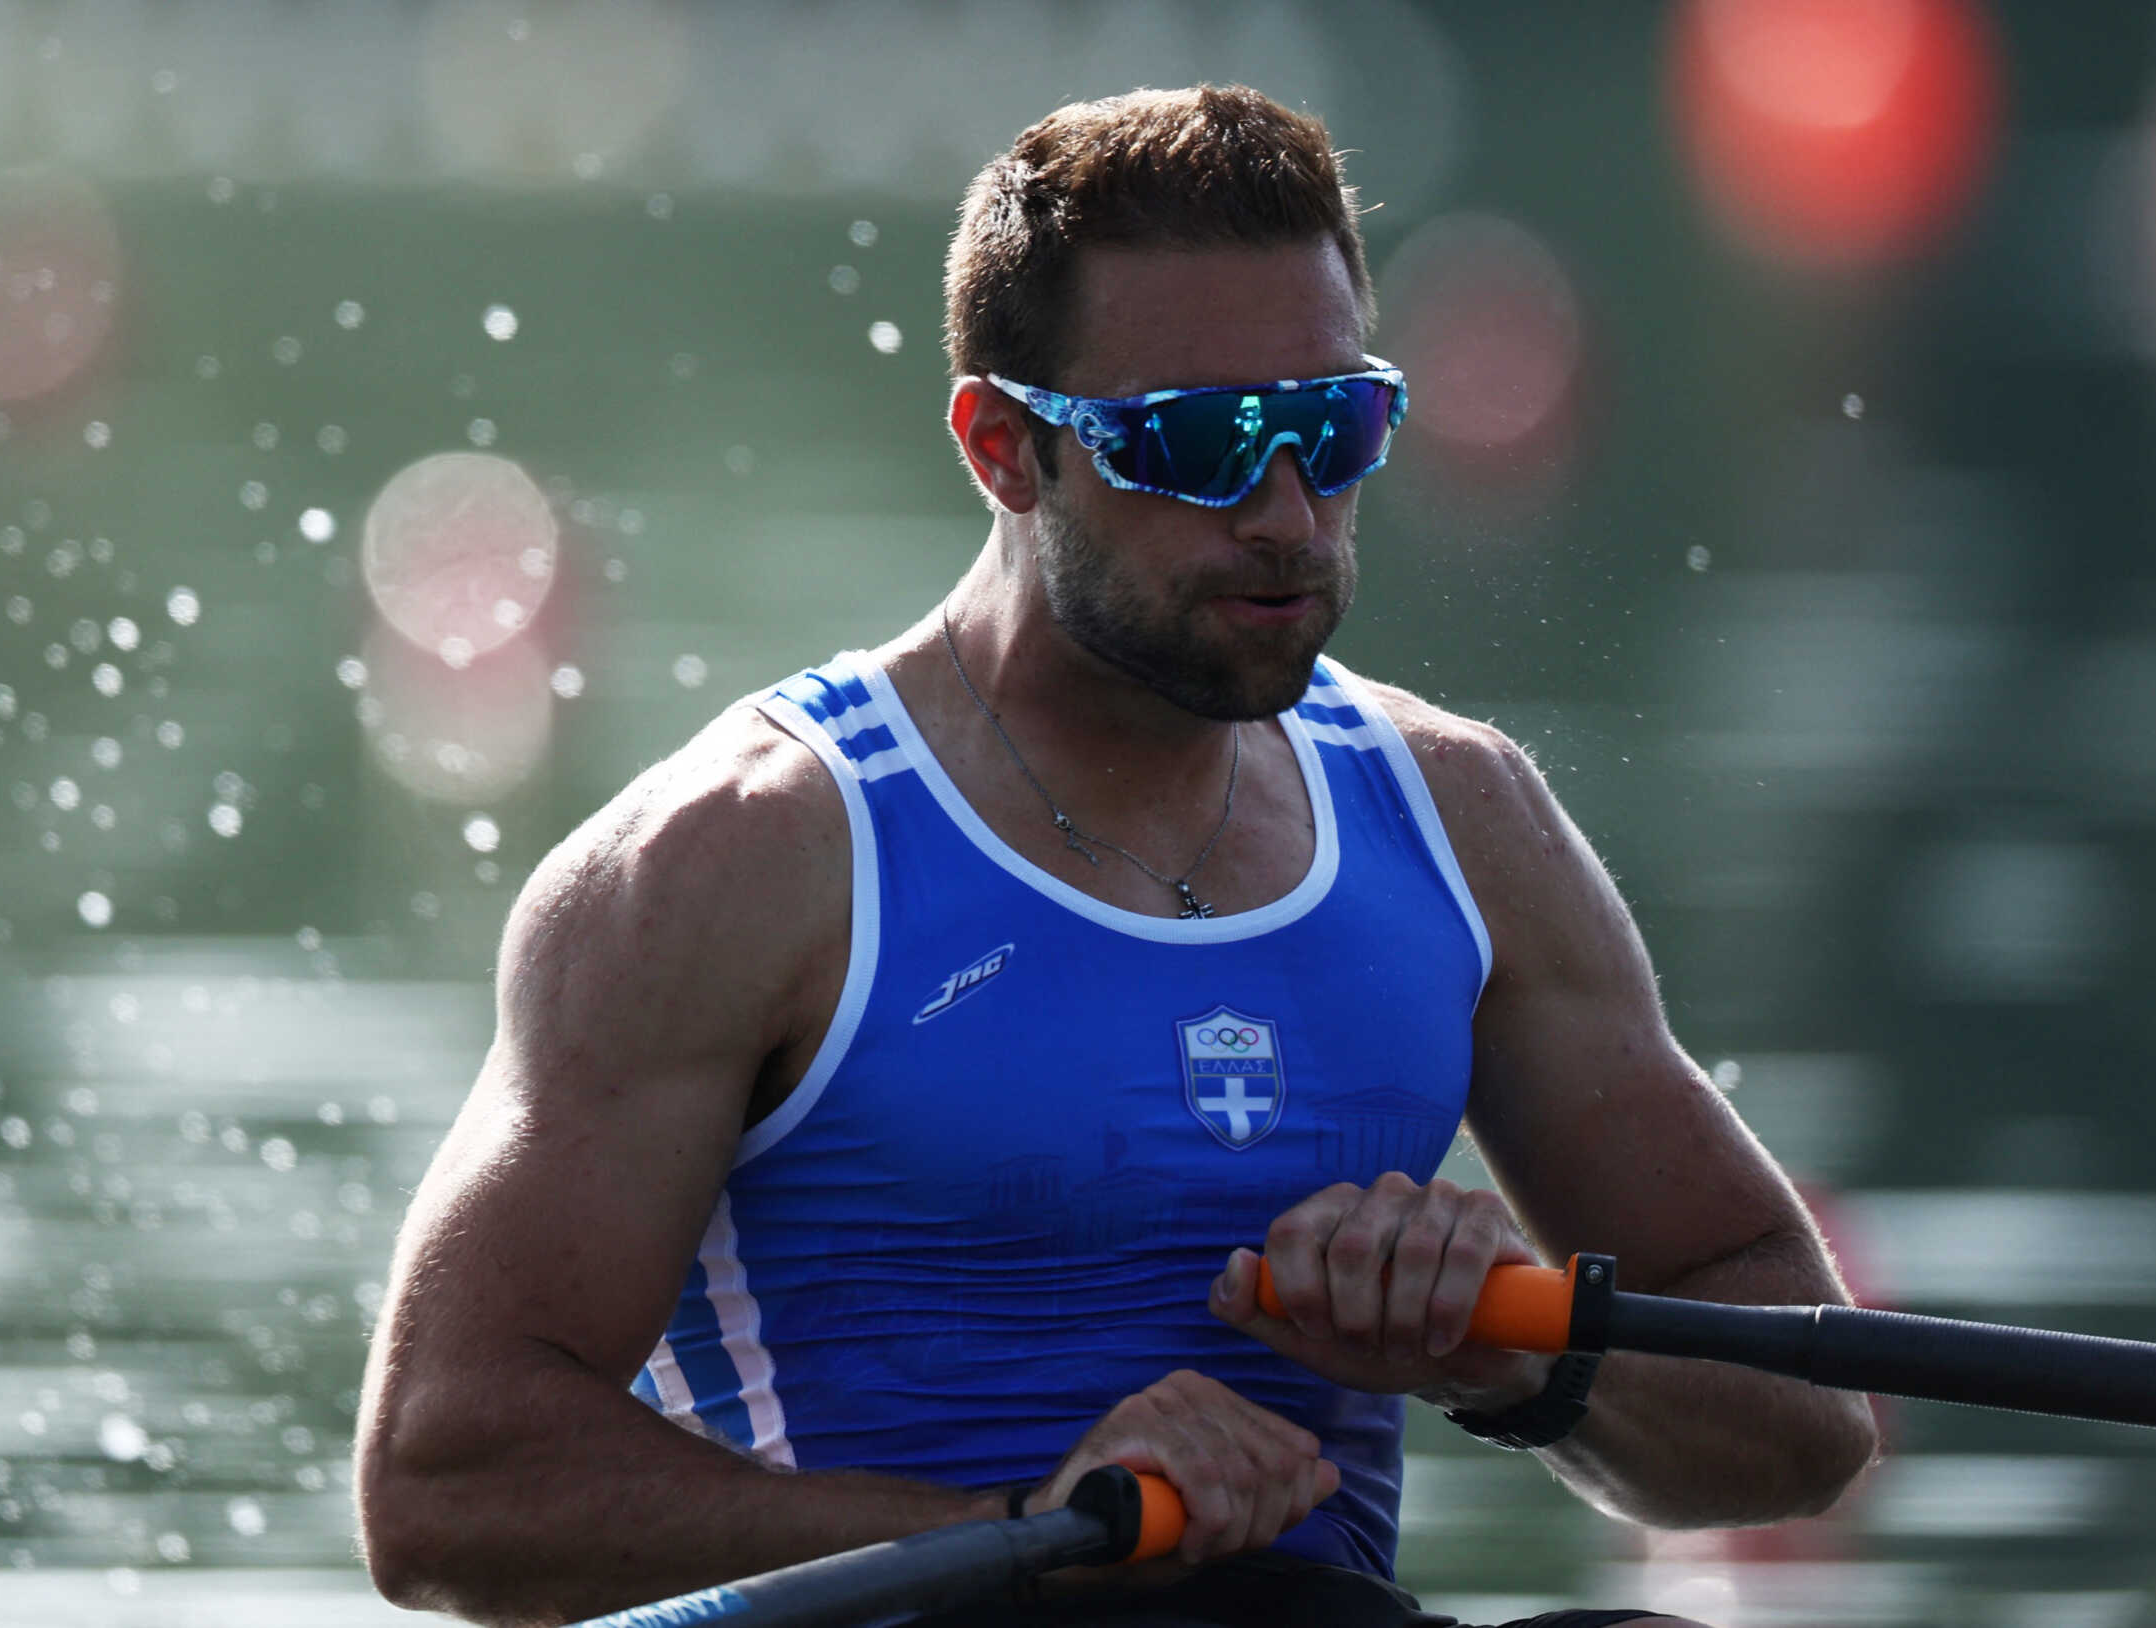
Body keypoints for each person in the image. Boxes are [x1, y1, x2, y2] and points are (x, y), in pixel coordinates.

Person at [353, 85, 1879, 1628]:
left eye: (1333, 427)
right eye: (1202, 444)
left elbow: (1808, 1418)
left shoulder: (1457, 821)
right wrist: (1028, 1524)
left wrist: (1526, 1359)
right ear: (1005, 450)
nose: (1287, 513)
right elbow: (440, 1488)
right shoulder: (743, 862)